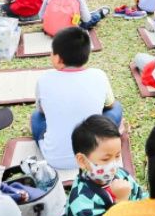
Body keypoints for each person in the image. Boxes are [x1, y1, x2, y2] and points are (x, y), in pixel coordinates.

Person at [31, 27, 124, 170]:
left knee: (36, 117)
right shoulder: (98, 75)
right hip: (93, 157)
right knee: (116, 107)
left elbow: (42, 112)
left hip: (54, 159)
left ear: (58, 58)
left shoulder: (44, 79)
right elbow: (110, 105)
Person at [64, 115, 145, 216]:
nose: (113, 165)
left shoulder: (121, 175)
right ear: (82, 161)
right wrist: (121, 203)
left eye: (117, 156)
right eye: (106, 159)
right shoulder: (80, 200)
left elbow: (141, 197)